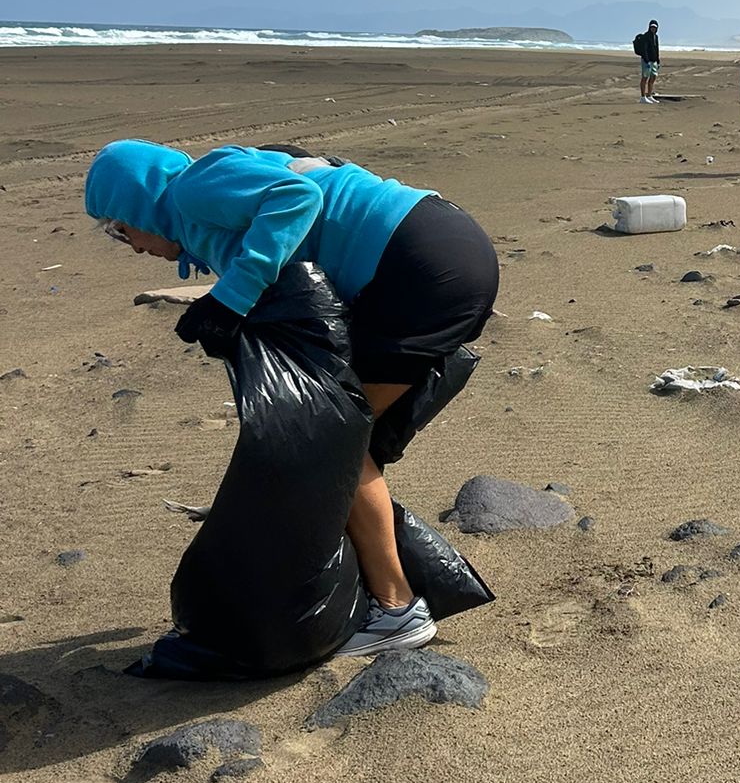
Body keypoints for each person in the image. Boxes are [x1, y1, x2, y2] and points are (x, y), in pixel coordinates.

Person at [85, 141, 499, 657]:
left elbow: (295, 196)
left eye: (118, 226)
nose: (128, 244)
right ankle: (385, 586)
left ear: (137, 203)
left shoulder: (191, 189)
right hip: (438, 252)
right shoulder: (208, 207)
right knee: (346, 436)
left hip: (421, 265)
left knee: (330, 443)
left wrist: (229, 298)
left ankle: (397, 610)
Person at [636, 20, 661, 103]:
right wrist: (646, 60)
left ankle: (649, 95)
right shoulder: (646, 36)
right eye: (652, 27)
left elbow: (656, 49)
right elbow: (644, 50)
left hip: (654, 60)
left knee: (653, 77)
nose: (653, 28)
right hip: (647, 60)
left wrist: (658, 60)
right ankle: (643, 97)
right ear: (649, 27)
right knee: (645, 78)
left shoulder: (656, 36)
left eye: (655, 27)